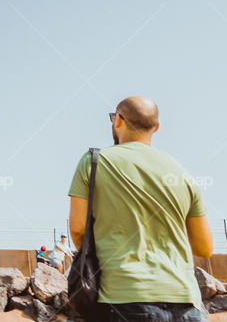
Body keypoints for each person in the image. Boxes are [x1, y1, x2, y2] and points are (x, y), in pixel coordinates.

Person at [68, 96, 213, 322]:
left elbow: (77, 230)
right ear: (156, 128)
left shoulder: (94, 161)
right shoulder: (182, 173)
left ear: (118, 120)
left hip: (122, 298)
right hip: (185, 301)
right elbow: (204, 248)